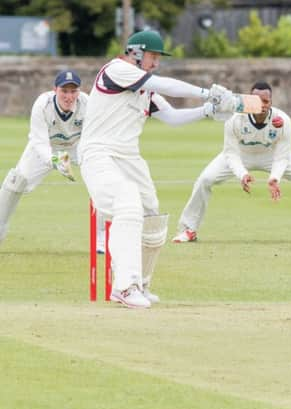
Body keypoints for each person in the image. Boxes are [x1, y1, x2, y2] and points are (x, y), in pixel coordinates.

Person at [79, 30, 243, 309]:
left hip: (130, 157)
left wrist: (207, 111)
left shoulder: (145, 90)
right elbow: (166, 84)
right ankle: (124, 286)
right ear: (137, 53)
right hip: (99, 153)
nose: (155, 62)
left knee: (152, 215)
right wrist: (207, 93)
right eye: (153, 56)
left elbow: (172, 117)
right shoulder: (117, 69)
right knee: (126, 204)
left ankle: (141, 283)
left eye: (157, 58)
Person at [172, 81, 291, 244]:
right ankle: (189, 229)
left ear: (271, 102)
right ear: (249, 100)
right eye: (257, 100)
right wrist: (242, 174)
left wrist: (275, 178)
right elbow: (230, 153)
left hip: (271, 155)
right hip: (241, 155)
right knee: (205, 180)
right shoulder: (234, 119)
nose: (262, 105)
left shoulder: (282, 120)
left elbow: (282, 156)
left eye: (266, 101)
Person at [0, 70, 106, 251]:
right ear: (55, 90)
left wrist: (88, 159)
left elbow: (93, 136)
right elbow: (39, 142)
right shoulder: (43, 104)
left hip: (76, 147)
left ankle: (102, 238)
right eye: (64, 91)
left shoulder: (87, 103)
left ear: (79, 92)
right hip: (46, 147)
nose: (69, 96)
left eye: (73, 91)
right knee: (16, 181)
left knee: (103, 179)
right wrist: (55, 160)